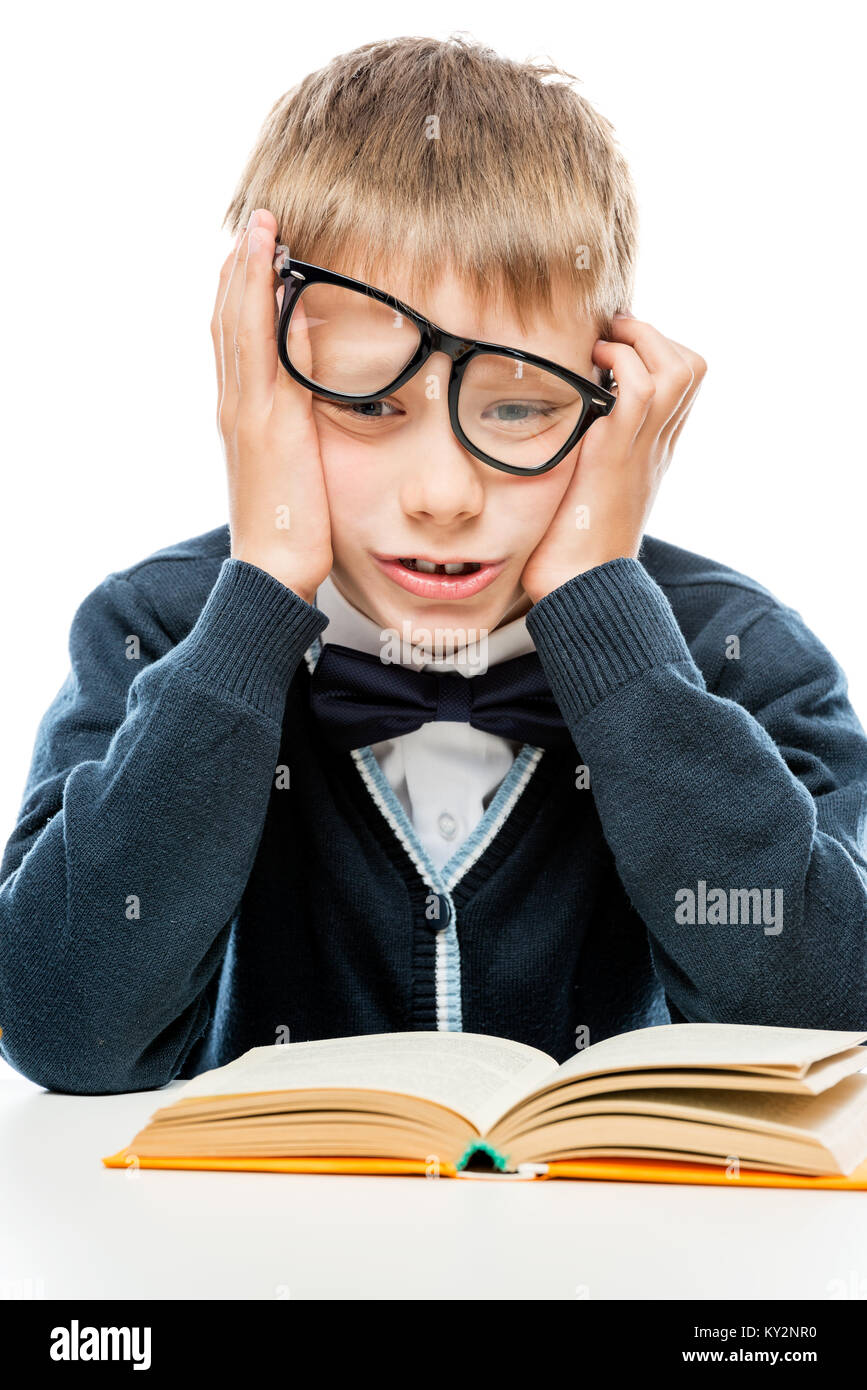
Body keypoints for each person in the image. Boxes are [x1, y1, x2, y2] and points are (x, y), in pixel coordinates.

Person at [2, 35, 866, 1096]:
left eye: (518, 407)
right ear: (258, 390)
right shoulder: (163, 633)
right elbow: (59, 1024)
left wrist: (615, 637)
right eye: (370, 403)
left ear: (612, 407)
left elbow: (830, 1022)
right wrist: (261, 593)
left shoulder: (738, 655)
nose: (447, 494)